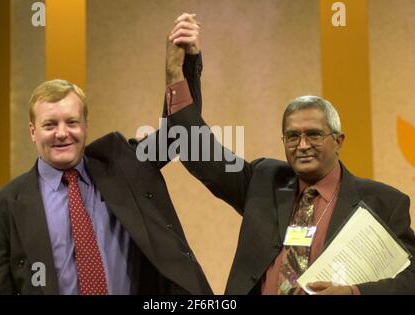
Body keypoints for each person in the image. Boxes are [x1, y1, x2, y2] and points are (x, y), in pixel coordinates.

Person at [165, 22, 415, 294]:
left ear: (338, 141)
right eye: (292, 136)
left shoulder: (383, 202)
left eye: (314, 135)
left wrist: (355, 292)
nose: (303, 145)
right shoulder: (263, 181)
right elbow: (200, 154)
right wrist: (178, 72)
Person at [0, 14, 211, 295]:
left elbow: (178, 135)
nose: (62, 133)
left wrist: (181, 68)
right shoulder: (6, 205)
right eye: (50, 125)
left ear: (86, 125)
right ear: (32, 131)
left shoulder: (122, 164)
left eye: (72, 122)